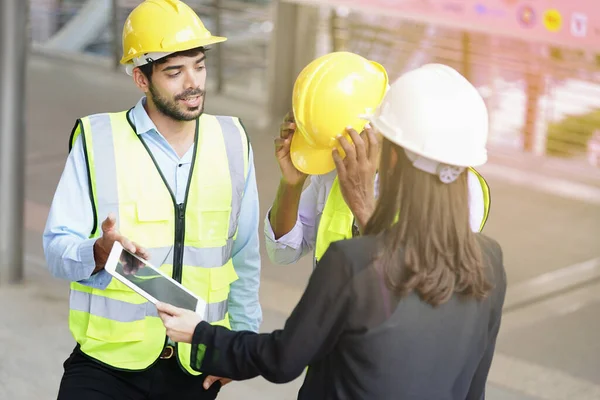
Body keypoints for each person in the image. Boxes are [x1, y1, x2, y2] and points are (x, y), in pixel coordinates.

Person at [155, 63, 507, 400]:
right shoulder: (491, 260)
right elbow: (475, 381)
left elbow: (283, 358)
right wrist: (292, 186)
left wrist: (202, 335)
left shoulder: (353, 262)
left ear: (393, 155)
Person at [42, 0, 261, 398]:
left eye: (199, 64)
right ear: (141, 78)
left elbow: (244, 257)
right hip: (107, 366)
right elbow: (57, 248)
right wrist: (98, 250)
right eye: (174, 72)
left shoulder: (232, 142)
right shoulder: (97, 140)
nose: (192, 82)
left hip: (194, 366)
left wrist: (239, 347)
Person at [265, 55, 491, 268]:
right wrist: (291, 185)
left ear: (372, 125)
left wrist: (362, 204)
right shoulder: (337, 167)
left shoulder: (456, 188)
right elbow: (282, 253)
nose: (338, 155)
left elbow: (422, 286)